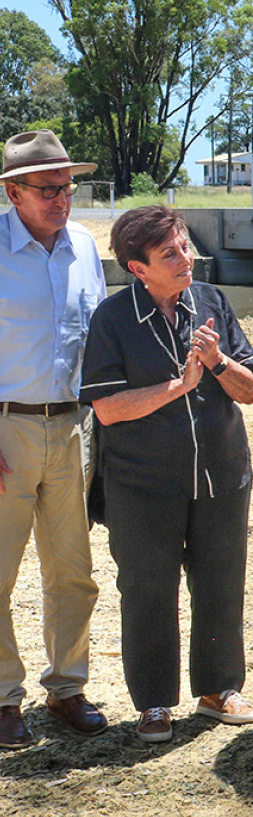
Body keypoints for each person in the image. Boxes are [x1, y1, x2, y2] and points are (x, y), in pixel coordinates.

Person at [80, 206, 253, 743]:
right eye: (171, 254)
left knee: (221, 584)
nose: (187, 259)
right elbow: (108, 410)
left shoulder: (213, 302)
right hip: (141, 484)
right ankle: (154, 704)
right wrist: (179, 387)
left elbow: (249, 390)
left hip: (222, 475)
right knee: (147, 589)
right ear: (138, 269)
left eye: (185, 245)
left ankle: (218, 690)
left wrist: (219, 364)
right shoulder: (112, 319)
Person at [0, 130, 108, 748]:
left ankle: (67, 687)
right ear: (13, 192)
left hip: (71, 428)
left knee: (72, 571)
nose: (61, 198)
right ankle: (3, 698)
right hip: (5, 427)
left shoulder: (86, 248)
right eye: (47, 189)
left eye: (67, 186)